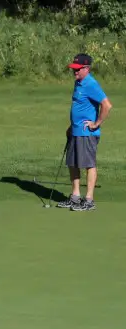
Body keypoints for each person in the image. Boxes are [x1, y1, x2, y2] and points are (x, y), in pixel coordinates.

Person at [57, 53, 112, 211]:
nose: (74, 72)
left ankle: (89, 200)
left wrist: (96, 123)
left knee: (88, 164)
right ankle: (75, 197)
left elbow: (107, 105)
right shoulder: (78, 82)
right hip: (75, 131)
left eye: (78, 69)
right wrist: (71, 126)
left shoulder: (91, 84)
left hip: (87, 133)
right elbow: (79, 107)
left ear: (86, 68)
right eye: (73, 69)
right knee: (73, 163)